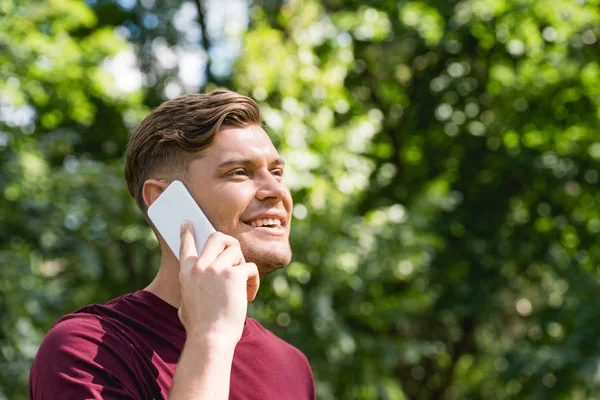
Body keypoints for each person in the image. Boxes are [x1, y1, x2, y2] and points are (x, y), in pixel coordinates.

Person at [29, 90, 315, 399]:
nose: (276, 190)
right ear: (166, 201)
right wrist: (210, 335)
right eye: (239, 172)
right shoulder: (85, 350)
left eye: (276, 172)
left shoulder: (292, 366)